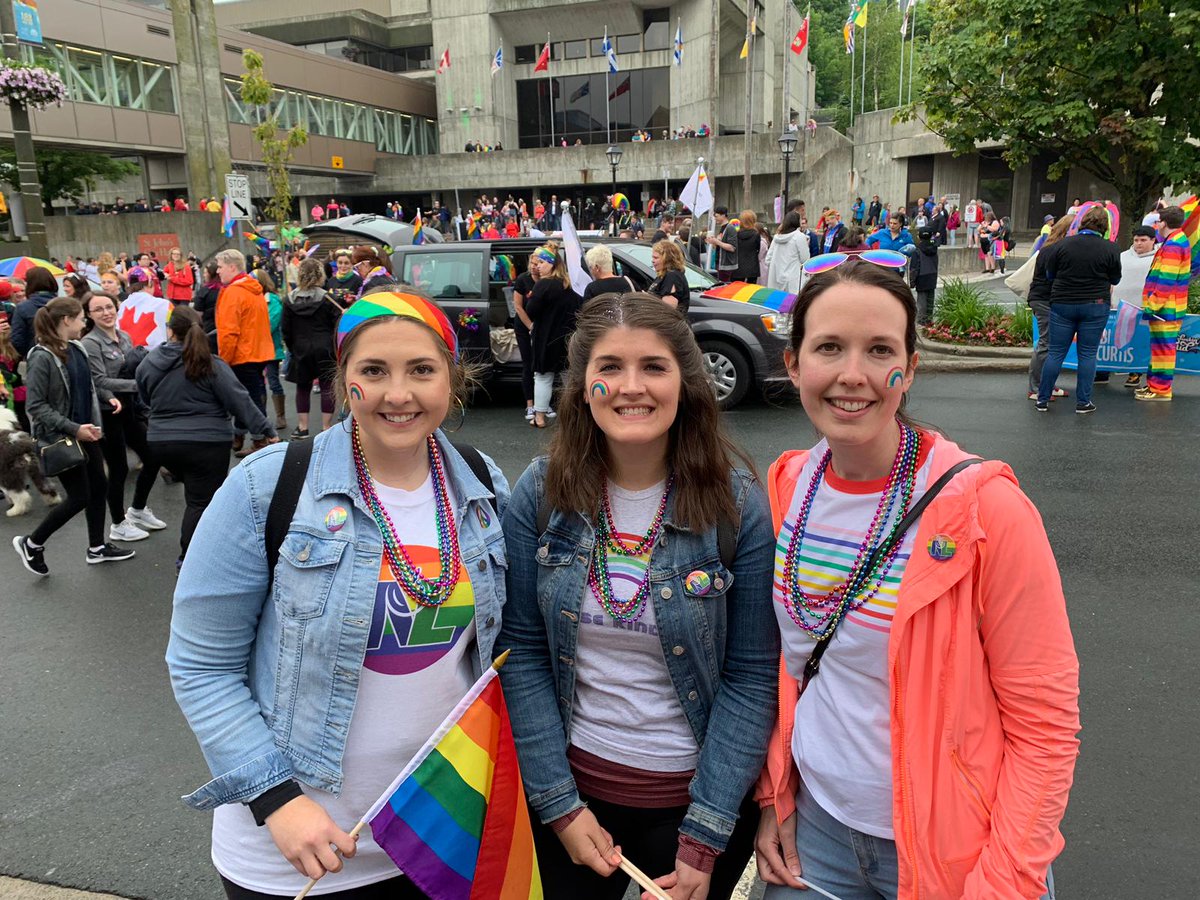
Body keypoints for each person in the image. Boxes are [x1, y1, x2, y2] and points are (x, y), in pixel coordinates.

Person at [166, 290, 507, 900]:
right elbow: (201, 665)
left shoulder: (482, 484)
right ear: (343, 380)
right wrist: (277, 801)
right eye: (373, 371)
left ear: (452, 380)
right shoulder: (266, 486)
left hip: (443, 833)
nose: (397, 394)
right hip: (300, 850)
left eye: (421, 370)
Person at [755, 257, 1078, 900]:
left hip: (956, 851)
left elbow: (1045, 725)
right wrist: (776, 796)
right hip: (817, 831)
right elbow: (792, 670)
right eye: (829, 347)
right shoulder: (789, 484)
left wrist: (1004, 882)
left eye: (880, 350)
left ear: (911, 366)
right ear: (794, 365)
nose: (853, 375)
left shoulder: (986, 509)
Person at [500, 292, 778, 900]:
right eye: (610, 367)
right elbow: (521, 653)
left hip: (694, 808)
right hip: (572, 802)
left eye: (654, 366)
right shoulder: (540, 493)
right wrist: (559, 807)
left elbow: (752, 676)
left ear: (685, 382)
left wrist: (704, 837)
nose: (632, 387)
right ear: (583, 386)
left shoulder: (736, 506)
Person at [138, 306, 276, 569]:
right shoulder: (210, 363)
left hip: (162, 442)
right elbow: (239, 400)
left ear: (170, 330)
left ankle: (177, 478)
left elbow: (144, 398)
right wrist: (266, 431)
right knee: (200, 502)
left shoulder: (149, 362)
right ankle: (189, 560)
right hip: (207, 441)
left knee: (194, 493)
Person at [13, 297, 136, 575]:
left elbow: (88, 384)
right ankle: (31, 543)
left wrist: (107, 396)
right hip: (61, 437)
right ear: (66, 320)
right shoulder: (41, 356)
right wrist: (72, 427)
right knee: (80, 496)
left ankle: (97, 548)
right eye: (81, 317)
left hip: (86, 432)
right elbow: (36, 406)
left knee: (100, 486)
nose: (85, 322)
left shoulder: (77, 347)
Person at [81, 292, 166, 542]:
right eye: (98, 309)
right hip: (108, 412)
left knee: (152, 457)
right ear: (89, 315)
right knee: (118, 469)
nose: (106, 312)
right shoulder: (90, 343)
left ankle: (137, 510)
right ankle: (118, 523)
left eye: (109, 307)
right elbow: (98, 381)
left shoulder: (124, 336)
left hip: (129, 408)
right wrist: (137, 385)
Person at [1036, 206, 1122, 413]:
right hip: (1095, 305)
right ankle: (1083, 402)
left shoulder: (1062, 245)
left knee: (1056, 352)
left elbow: (1050, 274)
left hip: (1062, 303)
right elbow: (1115, 279)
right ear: (1105, 227)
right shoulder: (1110, 248)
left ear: (1082, 223)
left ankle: (1042, 399)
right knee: (1088, 354)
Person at [214, 249, 276, 454]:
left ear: (232, 267)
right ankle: (240, 434)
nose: (217, 271)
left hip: (241, 354)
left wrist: (222, 361)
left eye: (220, 267)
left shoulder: (233, 293)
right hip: (259, 351)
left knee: (247, 399)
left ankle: (260, 440)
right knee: (250, 395)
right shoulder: (253, 289)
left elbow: (228, 332)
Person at [1135, 205, 1192, 402]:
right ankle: (1155, 385)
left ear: (1164, 223)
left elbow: (1167, 280)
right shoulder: (1176, 240)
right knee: (1159, 349)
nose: (1156, 224)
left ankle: (1160, 389)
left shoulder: (1174, 245)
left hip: (1166, 308)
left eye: (1158, 221)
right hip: (1168, 307)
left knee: (1163, 351)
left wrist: (1152, 305)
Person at [283, 257, 341, 439]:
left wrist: (292, 347)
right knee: (326, 387)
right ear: (320, 274)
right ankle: (325, 427)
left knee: (303, 387)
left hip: (300, 347)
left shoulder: (289, 300)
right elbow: (337, 325)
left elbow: (286, 329)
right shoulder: (328, 299)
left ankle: (303, 427)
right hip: (325, 347)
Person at [526, 244, 581, 429]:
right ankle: (574, 417)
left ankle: (540, 417)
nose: (538, 266)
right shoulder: (569, 284)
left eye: (542, 262)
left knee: (543, 377)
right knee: (568, 377)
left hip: (545, 338)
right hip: (567, 337)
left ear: (552, 264)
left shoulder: (543, 285)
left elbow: (531, 310)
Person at [1024, 215, 1073, 401]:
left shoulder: (1050, 248)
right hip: (1044, 299)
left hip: (1045, 299)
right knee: (1046, 343)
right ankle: (1036, 388)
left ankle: (1047, 384)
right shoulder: (1053, 250)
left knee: (1052, 345)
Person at [1110, 225, 1160, 389]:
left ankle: (1136, 372)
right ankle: (1103, 370)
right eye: (1136, 240)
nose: (1139, 243)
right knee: (1113, 340)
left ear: (1153, 240)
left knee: (1140, 342)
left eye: (1143, 240)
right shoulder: (1123, 256)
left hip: (1143, 308)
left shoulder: (1158, 258)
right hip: (1120, 307)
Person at [251, 268, 289, 432]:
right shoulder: (252, 299)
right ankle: (262, 417)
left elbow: (270, 324)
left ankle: (280, 416)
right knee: (258, 384)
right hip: (255, 349)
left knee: (273, 382)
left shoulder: (273, 300)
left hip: (271, 349)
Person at [512, 255, 541, 422]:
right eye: (532, 262)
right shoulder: (523, 279)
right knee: (528, 364)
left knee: (542, 365)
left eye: (537, 263)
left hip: (542, 328)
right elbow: (517, 306)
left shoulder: (547, 280)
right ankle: (530, 404)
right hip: (524, 326)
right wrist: (531, 326)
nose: (533, 266)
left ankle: (542, 403)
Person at [9, 265, 60, 358]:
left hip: (35, 356)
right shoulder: (64, 304)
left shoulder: (22, 308)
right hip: (64, 354)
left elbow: (17, 340)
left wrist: (28, 354)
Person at [117, 267, 172, 348]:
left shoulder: (122, 306)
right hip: (157, 352)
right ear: (150, 284)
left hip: (127, 352)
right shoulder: (165, 304)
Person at [765, 213, 811, 295]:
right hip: (794, 280)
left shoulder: (777, 237)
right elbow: (805, 259)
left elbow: (768, 260)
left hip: (776, 279)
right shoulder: (799, 237)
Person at [648, 239, 691, 313]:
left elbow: (668, 309)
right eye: (653, 257)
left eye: (656, 258)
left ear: (667, 259)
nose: (652, 260)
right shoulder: (664, 275)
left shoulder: (672, 276)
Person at [910, 227, 939, 324]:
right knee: (930, 301)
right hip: (932, 276)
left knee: (922, 302)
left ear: (919, 237)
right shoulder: (934, 248)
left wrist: (912, 282)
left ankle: (921, 322)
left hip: (921, 277)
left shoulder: (917, 250)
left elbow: (914, 268)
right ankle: (929, 321)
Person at [706, 207, 739, 282]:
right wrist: (713, 242)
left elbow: (732, 247)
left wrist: (716, 241)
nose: (715, 218)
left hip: (727, 265)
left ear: (723, 215)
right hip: (721, 263)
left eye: (716, 216)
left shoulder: (730, 228)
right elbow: (721, 246)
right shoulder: (722, 227)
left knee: (725, 285)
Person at [734, 209, 763, 284]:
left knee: (737, 288)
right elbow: (758, 249)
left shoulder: (735, 234)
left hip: (738, 266)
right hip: (752, 266)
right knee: (751, 289)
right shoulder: (756, 234)